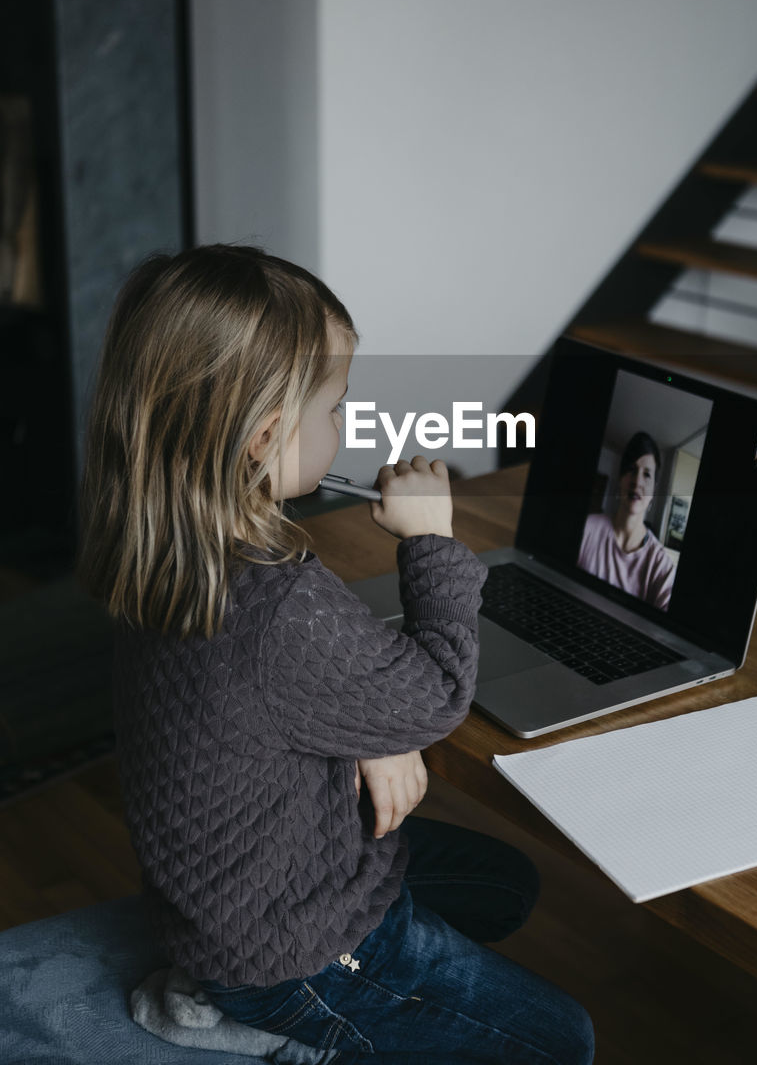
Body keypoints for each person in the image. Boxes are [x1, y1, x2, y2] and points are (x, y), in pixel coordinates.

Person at [76, 243, 594, 1065]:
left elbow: (280, 690)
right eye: (334, 407)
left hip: (235, 893)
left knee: (502, 886)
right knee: (560, 1041)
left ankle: (240, 991)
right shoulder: (276, 602)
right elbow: (435, 698)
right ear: (265, 436)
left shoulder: (178, 547)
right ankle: (268, 1020)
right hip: (289, 947)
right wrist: (429, 543)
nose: (345, 425)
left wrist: (369, 731)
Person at [577, 431, 675, 611]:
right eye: (631, 469)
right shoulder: (586, 528)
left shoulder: (662, 567)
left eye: (647, 474)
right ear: (620, 480)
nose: (637, 481)